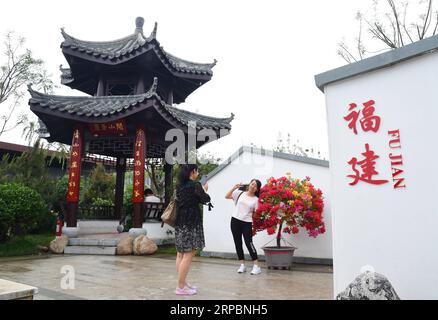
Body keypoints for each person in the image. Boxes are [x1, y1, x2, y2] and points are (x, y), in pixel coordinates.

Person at [174, 164, 211, 295]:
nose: (198, 173)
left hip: (180, 221)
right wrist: (205, 190)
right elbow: (206, 199)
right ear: (193, 172)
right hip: (191, 222)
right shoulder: (195, 185)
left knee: (181, 254)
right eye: (197, 170)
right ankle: (180, 287)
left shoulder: (179, 186)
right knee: (188, 254)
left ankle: (183, 283)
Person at [225, 179, 262, 275]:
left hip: (247, 223)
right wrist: (234, 187)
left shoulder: (256, 200)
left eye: (255, 186)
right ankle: (242, 265)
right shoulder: (240, 193)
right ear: (249, 184)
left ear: (257, 189)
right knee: (238, 243)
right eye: (252, 184)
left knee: (249, 243)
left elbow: (256, 214)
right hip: (235, 221)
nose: (253, 186)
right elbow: (227, 196)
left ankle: (256, 266)